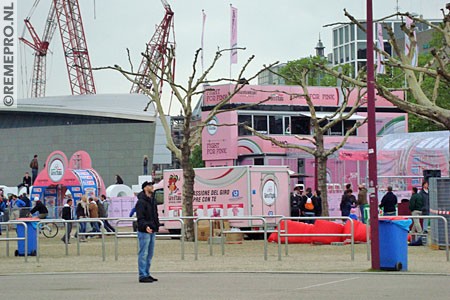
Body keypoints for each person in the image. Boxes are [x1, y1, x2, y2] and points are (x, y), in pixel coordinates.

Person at [136, 181, 160, 283]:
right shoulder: (141, 202)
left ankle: (147, 273)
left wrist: (156, 225)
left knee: (149, 253)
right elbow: (140, 217)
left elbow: (155, 214)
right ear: (145, 188)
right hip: (144, 231)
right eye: (150, 185)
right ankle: (142, 275)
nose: (152, 187)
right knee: (143, 253)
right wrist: (145, 226)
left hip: (152, 229)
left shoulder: (152, 200)